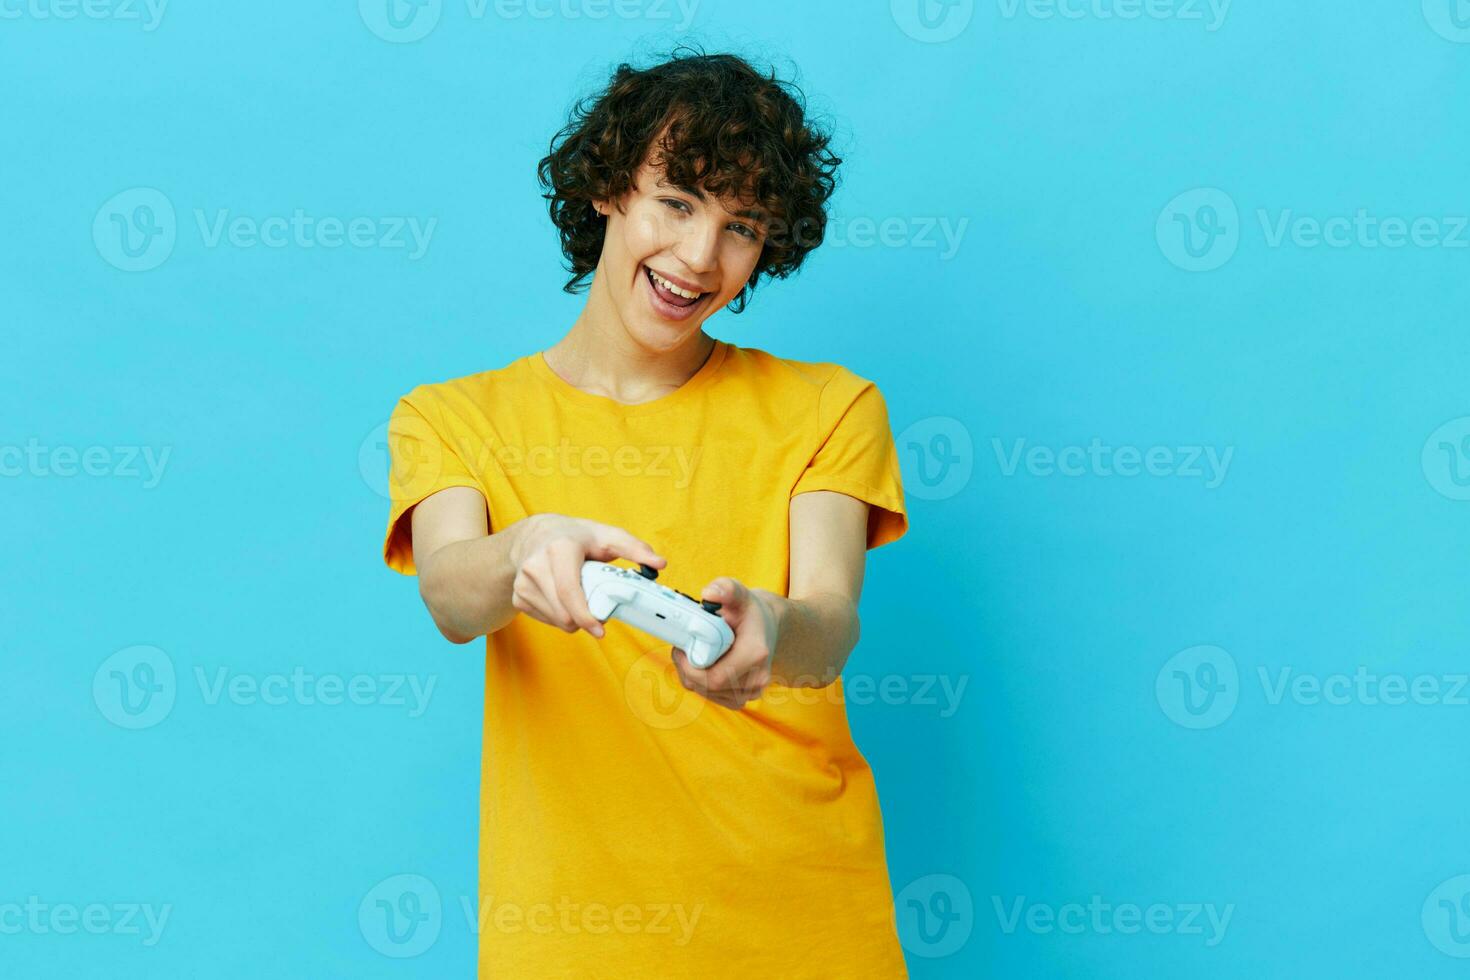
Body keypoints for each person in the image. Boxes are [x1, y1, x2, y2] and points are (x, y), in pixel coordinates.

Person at [381, 44, 910, 977]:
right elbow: (452, 594)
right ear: (606, 189)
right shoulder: (453, 418)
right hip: (571, 936)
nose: (700, 258)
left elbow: (831, 627)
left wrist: (773, 626)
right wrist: (527, 552)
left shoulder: (832, 407)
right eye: (677, 202)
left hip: (805, 918)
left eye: (742, 226)